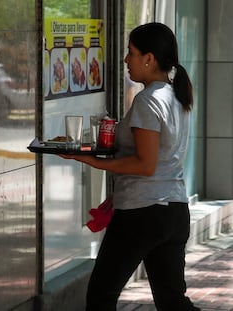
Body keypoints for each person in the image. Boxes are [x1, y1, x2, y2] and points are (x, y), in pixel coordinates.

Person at [60, 23, 201, 310]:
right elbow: (156, 159)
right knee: (173, 302)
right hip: (173, 210)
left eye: (131, 52)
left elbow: (145, 164)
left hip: (142, 212)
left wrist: (94, 162)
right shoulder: (176, 95)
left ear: (149, 59)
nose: (126, 60)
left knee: (101, 294)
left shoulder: (148, 100)